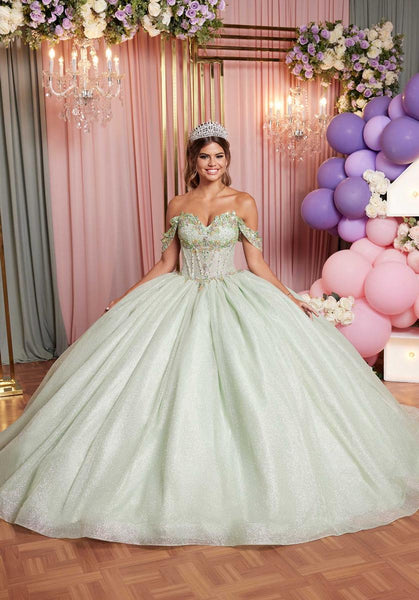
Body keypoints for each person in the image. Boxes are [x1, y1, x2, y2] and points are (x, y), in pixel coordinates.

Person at [0, 121, 418, 547]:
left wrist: (290, 298)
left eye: (218, 156)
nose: (212, 163)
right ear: (194, 161)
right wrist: (124, 298)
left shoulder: (243, 201)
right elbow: (166, 263)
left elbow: (256, 262)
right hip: (179, 294)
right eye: (204, 156)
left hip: (232, 293)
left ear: (227, 159)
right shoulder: (177, 204)